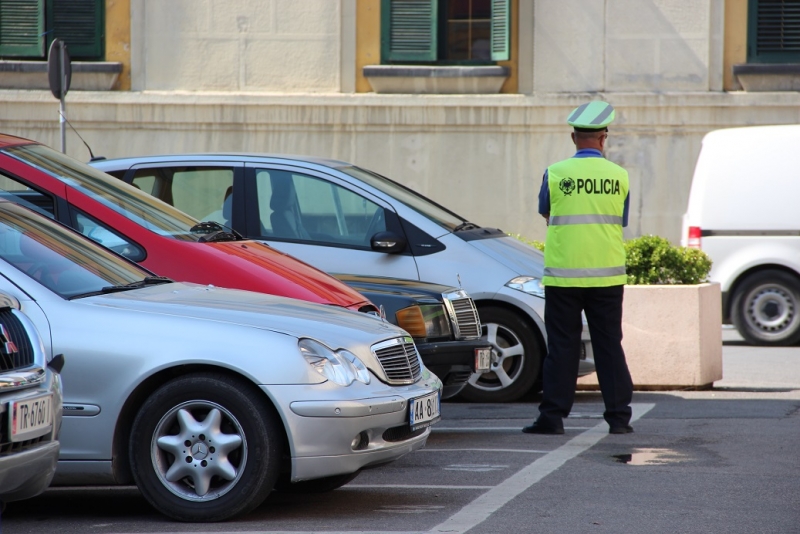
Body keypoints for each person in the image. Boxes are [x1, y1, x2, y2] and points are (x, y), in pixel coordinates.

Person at [523, 100, 634, 435]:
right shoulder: (619, 176)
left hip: (564, 275)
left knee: (562, 346)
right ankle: (619, 419)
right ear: (604, 138)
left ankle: (552, 418)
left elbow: (546, 212)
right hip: (607, 276)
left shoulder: (555, 173)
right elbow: (621, 220)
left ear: (574, 138)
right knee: (608, 346)